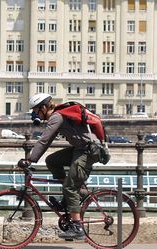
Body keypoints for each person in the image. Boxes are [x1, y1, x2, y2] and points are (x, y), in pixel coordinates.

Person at [17, 93, 105, 240]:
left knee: (70, 187)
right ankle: (71, 196)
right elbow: (48, 141)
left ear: (44, 108)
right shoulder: (58, 115)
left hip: (89, 150)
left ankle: (77, 227)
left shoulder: (56, 117)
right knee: (52, 160)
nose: (34, 114)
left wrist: (29, 160)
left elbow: (44, 140)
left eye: (35, 110)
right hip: (81, 148)